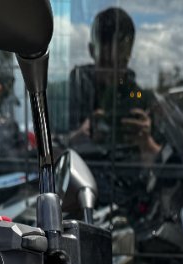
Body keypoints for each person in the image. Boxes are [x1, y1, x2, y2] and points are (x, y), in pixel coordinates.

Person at [67, 7, 160, 164]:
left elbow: (164, 165)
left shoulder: (140, 98)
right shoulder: (77, 87)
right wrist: (78, 138)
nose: (112, 74)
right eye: (106, 63)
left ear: (129, 56)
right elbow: (51, 148)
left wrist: (146, 143)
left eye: (121, 64)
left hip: (129, 176)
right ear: (92, 51)